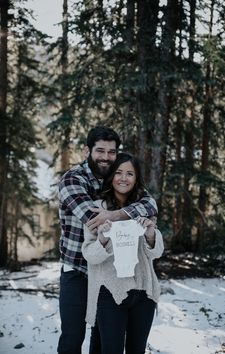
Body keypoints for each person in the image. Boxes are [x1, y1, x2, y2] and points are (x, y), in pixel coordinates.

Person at [57, 126, 158, 354]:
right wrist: (126, 214)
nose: (106, 157)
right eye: (100, 150)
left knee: (101, 339)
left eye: (111, 152)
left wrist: (115, 214)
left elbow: (150, 205)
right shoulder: (73, 179)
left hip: (106, 272)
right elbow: (94, 220)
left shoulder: (116, 178)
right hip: (78, 270)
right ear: (87, 151)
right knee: (73, 337)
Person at [82, 152, 164, 354]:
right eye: (118, 172)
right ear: (111, 176)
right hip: (110, 292)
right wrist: (102, 239)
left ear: (136, 179)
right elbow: (89, 255)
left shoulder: (144, 207)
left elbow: (156, 253)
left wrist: (151, 234)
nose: (124, 178)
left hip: (144, 291)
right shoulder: (98, 208)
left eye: (130, 173)